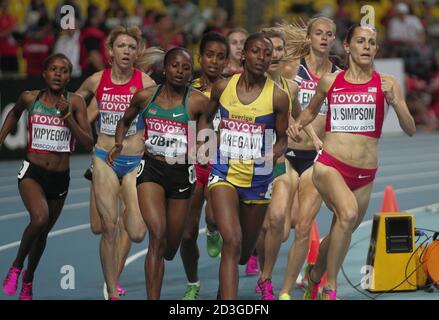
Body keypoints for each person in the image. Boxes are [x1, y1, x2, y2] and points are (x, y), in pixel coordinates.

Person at [288, 24, 416, 300]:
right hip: (330, 164)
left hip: (365, 173)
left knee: (340, 232)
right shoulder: (331, 81)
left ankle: (313, 275)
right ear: (347, 47)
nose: (367, 46)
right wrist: (296, 125)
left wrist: (396, 102)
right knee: (346, 215)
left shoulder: (388, 83)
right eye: (361, 41)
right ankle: (330, 287)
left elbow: (410, 128)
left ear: (377, 49)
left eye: (372, 42)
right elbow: (309, 112)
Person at [109, 47, 212, 300]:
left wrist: (202, 146)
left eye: (186, 68)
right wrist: (119, 143)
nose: (180, 71)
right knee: (157, 236)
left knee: (169, 248)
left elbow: (206, 137)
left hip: (181, 174)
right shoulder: (145, 97)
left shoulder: (198, 101)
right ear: (165, 68)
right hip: (152, 170)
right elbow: (124, 121)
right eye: (175, 66)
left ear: (191, 73)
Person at [1, 53, 94, 300]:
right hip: (32, 171)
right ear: (44, 73)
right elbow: (14, 114)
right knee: (39, 219)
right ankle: (16, 266)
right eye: (53, 69)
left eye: (64, 70)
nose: (58, 74)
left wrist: (67, 118)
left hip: (60, 178)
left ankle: (28, 280)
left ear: (68, 76)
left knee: (42, 234)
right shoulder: (30, 97)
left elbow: (88, 142)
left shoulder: (75, 103)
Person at [208, 33, 290, 299]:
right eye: (256, 51)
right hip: (224, 174)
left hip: (258, 180)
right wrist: (206, 140)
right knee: (231, 241)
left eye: (267, 54)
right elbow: (205, 119)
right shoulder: (222, 87)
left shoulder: (278, 97)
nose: (262, 57)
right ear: (243, 54)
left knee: (242, 254)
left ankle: (224, 293)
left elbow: (283, 138)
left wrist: (274, 153)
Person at [76, 26, 153, 300]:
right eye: (121, 46)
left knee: (137, 233)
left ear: (137, 53)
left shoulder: (145, 83)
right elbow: (77, 105)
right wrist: (82, 130)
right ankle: (112, 291)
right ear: (110, 51)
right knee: (106, 228)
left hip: (134, 162)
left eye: (132, 47)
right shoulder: (96, 80)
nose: (126, 51)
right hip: (104, 158)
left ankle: (111, 199)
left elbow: (160, 115)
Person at [270, 17, 340, 301]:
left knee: (303, 227)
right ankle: (265, 270)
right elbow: (278, 104)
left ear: (334, 40)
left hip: (316, 158)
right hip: (285, 153)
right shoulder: (290, 69)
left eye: (329, 35)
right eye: (319, 33)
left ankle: (285, 291)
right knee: (282, 226)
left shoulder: (338, 76)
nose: (323, 38)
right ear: (309, 37)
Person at [253, 26, 324, 300]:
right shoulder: (240, 84)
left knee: (280, 225)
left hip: (278, 162)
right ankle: (255, 259)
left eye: (279, 49)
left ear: (284, 53)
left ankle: (266, 278)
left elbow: (299, 116)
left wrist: (314, 138)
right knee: (258, 229)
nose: (274, 54)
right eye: (268, 49)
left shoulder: (289, 87)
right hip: (248, 165)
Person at [179, 32, 229, 300]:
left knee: (215, 219)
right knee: (186, 235)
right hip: (192, 164)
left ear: (226, 61)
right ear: (200, 57)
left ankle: (211, 229)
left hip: (222, 165)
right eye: (209, 55)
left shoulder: (233, 87)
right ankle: (193, 282)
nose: (214, 61)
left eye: (220, 57)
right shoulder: (188, 86)